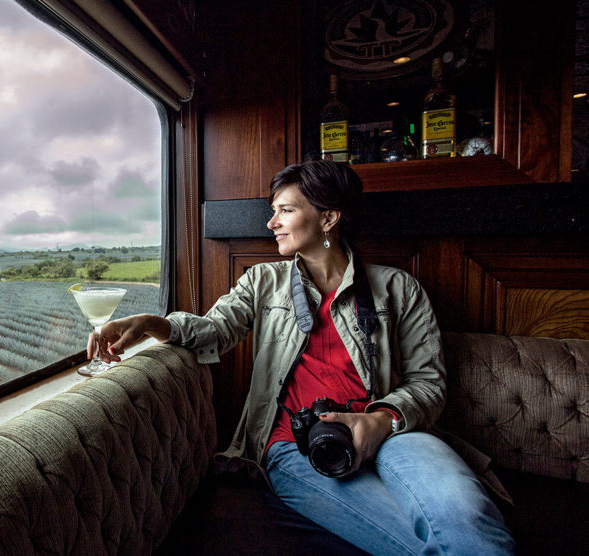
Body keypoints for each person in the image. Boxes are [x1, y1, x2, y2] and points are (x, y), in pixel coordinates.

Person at [91, 160, 515, 555]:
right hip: (295, 446)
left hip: (394, 434)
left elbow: (428, 383)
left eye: (285, 211)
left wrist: (381, 419)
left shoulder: (399, 288)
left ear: (329, 218)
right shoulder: (263, 280)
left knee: (465, 514)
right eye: (273, 211)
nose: (271, 223)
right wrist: (151, 322)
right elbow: (215, 332)